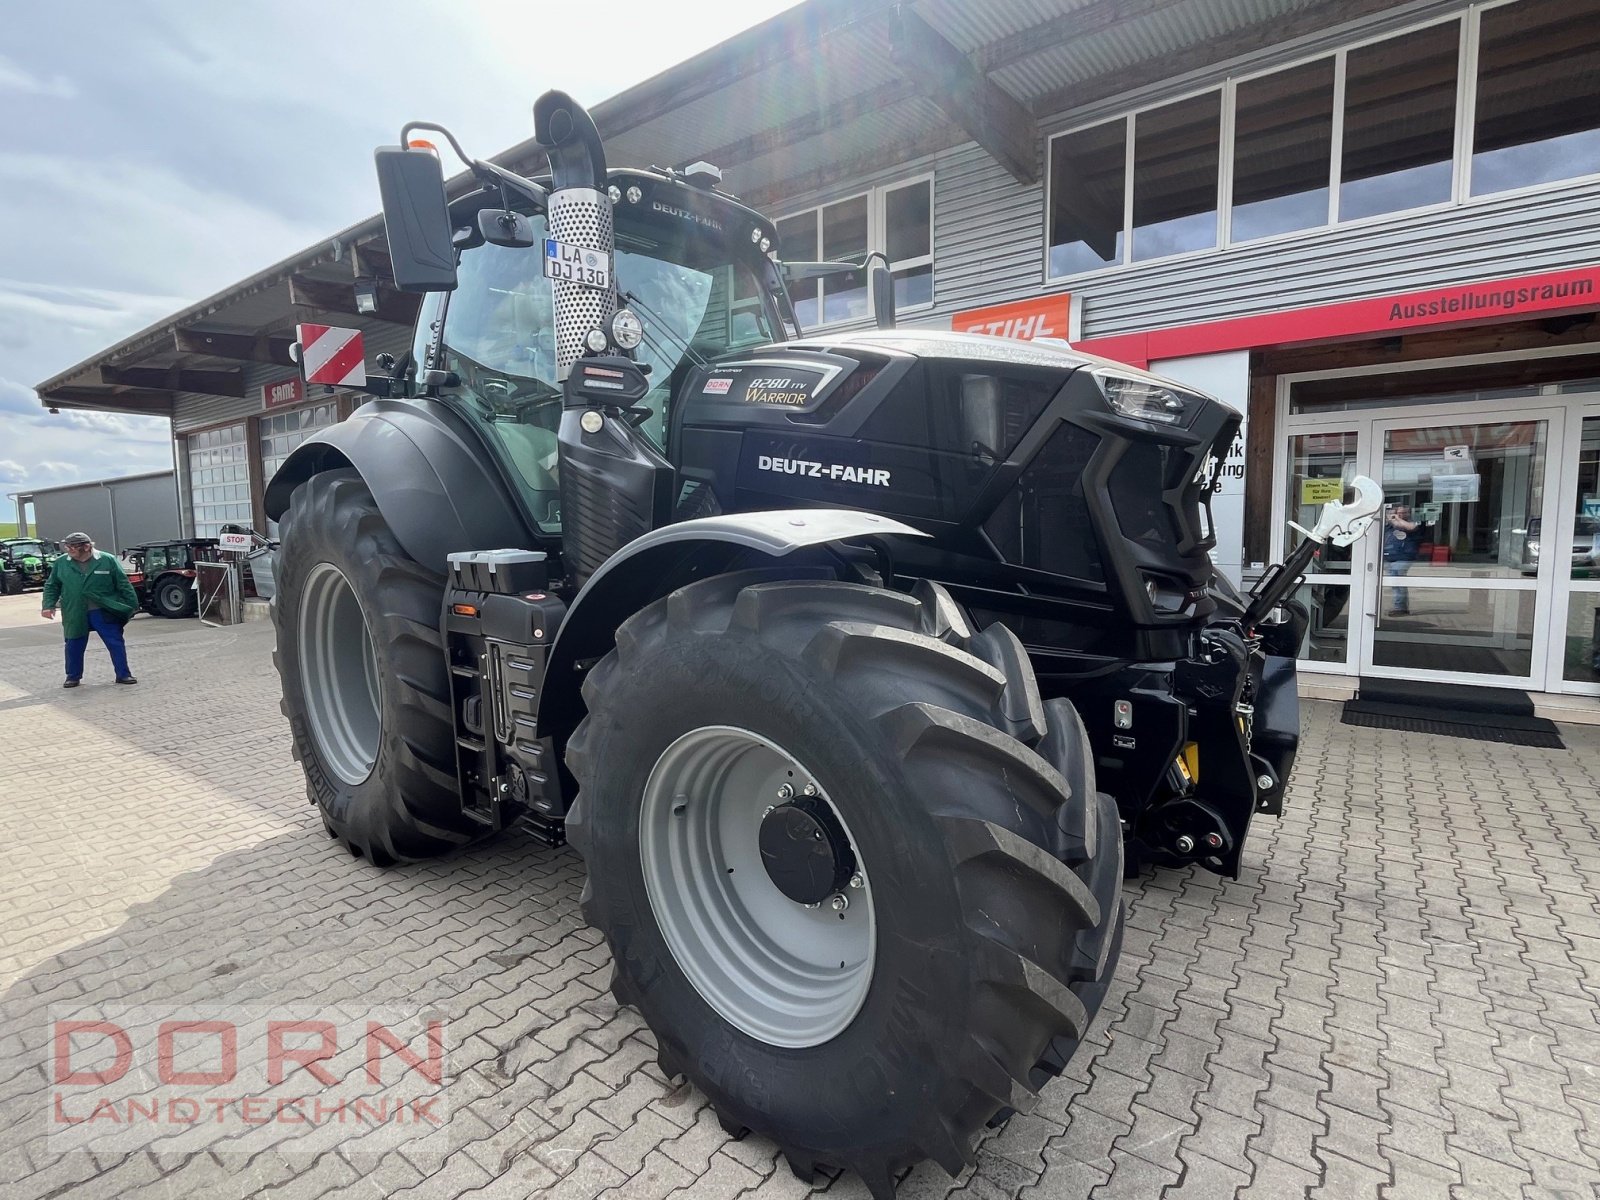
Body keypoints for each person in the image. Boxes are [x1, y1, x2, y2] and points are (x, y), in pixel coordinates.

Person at [40, 532, 138, 688]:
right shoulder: (61, 563)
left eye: (72, 546)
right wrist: (48, 605)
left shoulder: (107, 560)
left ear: (86, 547)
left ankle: (123, 674)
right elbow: (52, 585)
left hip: (103, 610)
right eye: (67, 546)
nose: (69, 549)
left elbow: (123, 583)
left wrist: (132, 605)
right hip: (74, 611)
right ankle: (73, 676)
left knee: (115, 642)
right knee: (73, 644)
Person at [1383, 504, 1422, 616]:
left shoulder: (1412, 523)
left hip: (1404, 557)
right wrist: (1390, 518)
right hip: (1390, 557)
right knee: (1395, 582)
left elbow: (1411, 527)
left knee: (1398, 581)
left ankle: (1400, 607)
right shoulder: (1391, 526)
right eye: (1399, 512)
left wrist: (1398, 518)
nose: (1401, 515)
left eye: (1403, 513)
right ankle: (1400, 606)